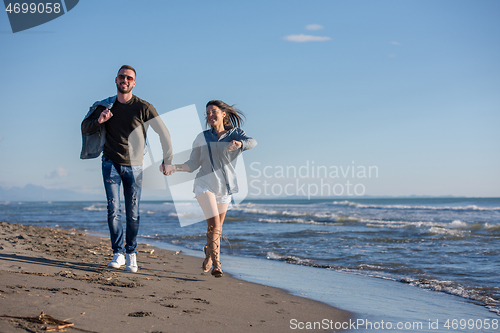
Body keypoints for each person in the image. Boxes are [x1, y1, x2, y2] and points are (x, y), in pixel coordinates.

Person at [81, 65, 175, 272]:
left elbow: (164, 133)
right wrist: (99, 120)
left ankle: (131, 253)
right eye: (122, 77)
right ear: (116, 80)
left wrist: (167, 159)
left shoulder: (144, 107)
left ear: (134, 83)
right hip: (110, 163)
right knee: (113, 209)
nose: (125, 80)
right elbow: (84, 127)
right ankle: (118, 253)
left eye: (129, 78)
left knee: (132, 213)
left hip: (135, 166)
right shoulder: (105, 106)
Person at [169, 100, 256, 277]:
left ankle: (209, 253)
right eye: (207, 113)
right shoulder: (202, 137)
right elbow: (193, 164)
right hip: (204, 184)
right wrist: (175, 167)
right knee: (215, 225)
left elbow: (252, 142)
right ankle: (217, 263)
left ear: (224, 114)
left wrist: (240, 144)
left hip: (225, 188)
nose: (209, 116)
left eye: (213, 112)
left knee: (217, 228)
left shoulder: (235, 134)